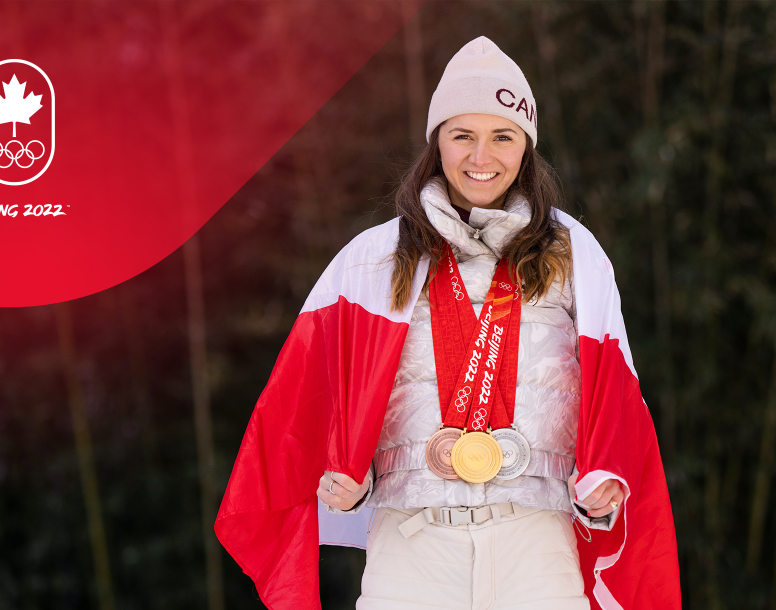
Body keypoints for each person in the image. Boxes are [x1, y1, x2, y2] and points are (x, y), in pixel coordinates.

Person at [215, 36, 680, 610]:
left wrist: (600, 485)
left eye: (502, 137)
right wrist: (348, 486)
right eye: (463, 136)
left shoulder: (573, 253)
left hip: (536, 550)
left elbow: (615, 397)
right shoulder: (374, 258)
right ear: (438, 144)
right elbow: (312, 404)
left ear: (526, 148)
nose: (481, 157)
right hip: (413, 552)